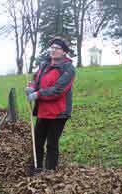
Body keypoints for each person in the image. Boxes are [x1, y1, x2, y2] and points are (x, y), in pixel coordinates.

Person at [26, 37, 76, 172]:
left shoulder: (68, 69)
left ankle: (50, 172)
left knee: (52, 143)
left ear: (64, 52)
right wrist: (31, 87)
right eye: (52, 47)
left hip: (58, 112)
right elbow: (35, 79)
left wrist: (38, 94)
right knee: (37, 141)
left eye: (57, 48)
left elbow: (58, 90)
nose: (53, 50)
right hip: (43, 111)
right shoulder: (44, 65)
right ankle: (36, 168)